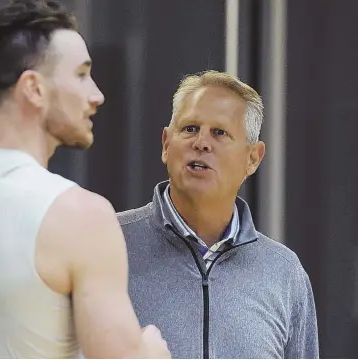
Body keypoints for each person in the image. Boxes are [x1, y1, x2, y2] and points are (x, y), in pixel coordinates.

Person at [0, 0, 171, 358]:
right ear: (34, 89)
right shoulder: (80, 215)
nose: (96, 95)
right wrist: (149, 351)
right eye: (82, 74)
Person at [118, 70, 319, 359]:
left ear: (252, 158)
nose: (201, 142)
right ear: (165, 144)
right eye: (189, 128)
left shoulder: (284, 273)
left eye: (219, 133)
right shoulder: (108, 244)